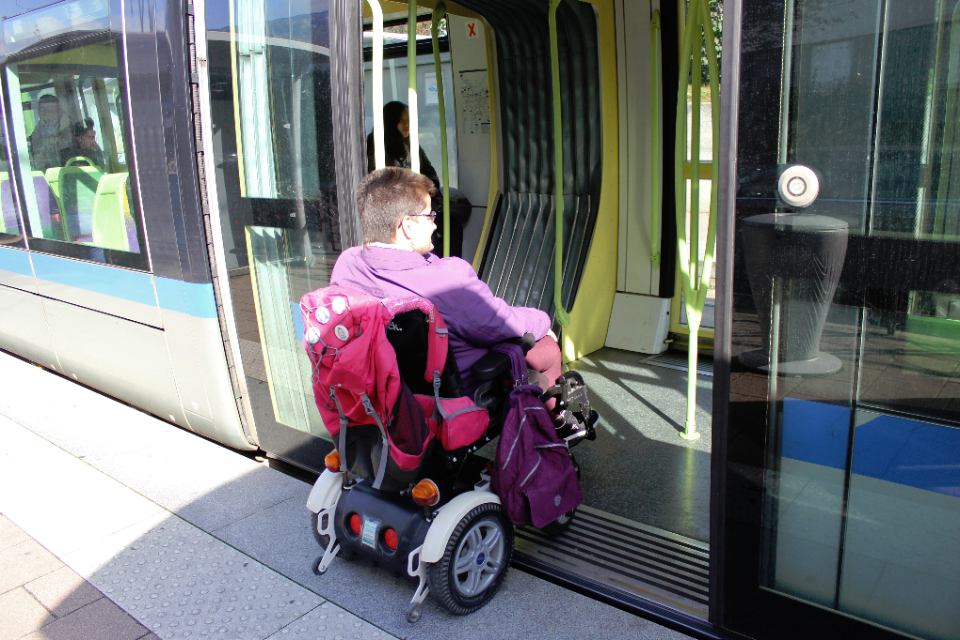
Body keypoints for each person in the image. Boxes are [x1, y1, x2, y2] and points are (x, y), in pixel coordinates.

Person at [330, 167, 562, 399]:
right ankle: (552, 428)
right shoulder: (449, 279)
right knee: (547, 348)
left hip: (385, 394)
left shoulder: (347, 264)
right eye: (430, 216)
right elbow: (503, 325)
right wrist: (542, 320)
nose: (435, 225)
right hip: (455, 396)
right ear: (408, 226)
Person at [366, 101, 467, 258]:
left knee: (452, 229)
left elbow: (428, 170)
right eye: (401, 120)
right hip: (398, 210)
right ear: (390, 121)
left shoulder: (410, 144)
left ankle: (449, 269)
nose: (407, 125)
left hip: (419, 207)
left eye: (409, 120)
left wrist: (431, 187)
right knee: (428, 237)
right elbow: (386, 182)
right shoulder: (377, 147)